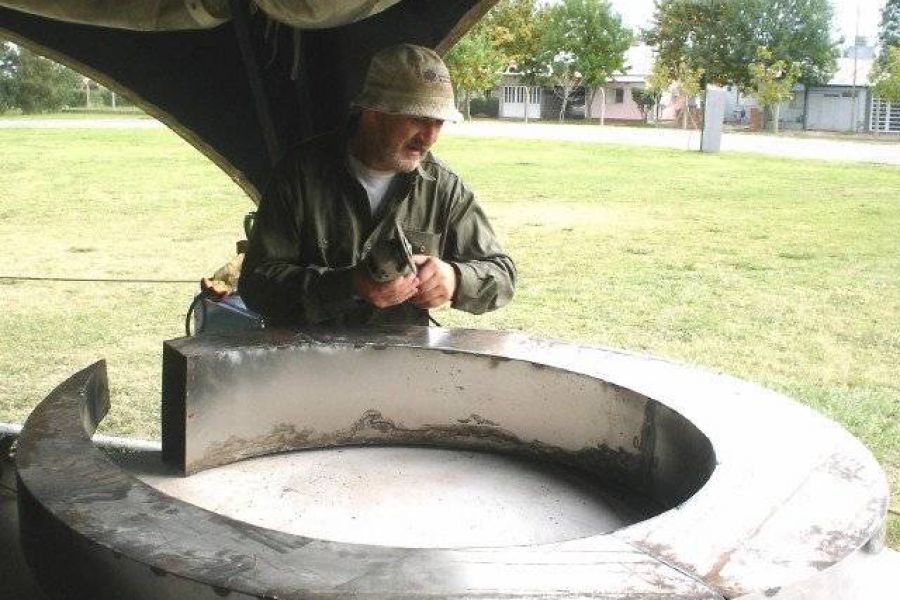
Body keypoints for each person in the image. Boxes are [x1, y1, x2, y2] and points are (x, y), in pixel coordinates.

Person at [238, 44, 515, 327]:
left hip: (401, 364)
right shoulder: (300, 174)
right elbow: (256, 285)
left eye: (439, 122)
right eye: (418, 118)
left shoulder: (443, 188)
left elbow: (503, 275)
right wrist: (349, 285)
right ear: (373, 112)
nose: (429, 137)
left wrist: (455, 279)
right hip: (309, 361)